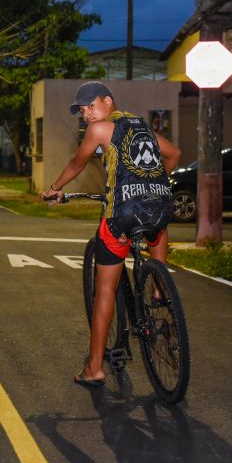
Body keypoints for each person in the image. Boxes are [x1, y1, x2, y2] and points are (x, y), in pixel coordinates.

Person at [40, 82, 181, 388]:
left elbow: (77, 163)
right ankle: (159, 286)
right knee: (158, 226)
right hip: (158, 205)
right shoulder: (141, 127)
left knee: (104, 290)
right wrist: (153, 182)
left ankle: (94, 368)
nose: (87, 114)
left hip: (122, 214)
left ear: (108, 101)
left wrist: (54, 189)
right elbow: (174, 154)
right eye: (82, 110)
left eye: (91, 106)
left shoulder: (101, 130)